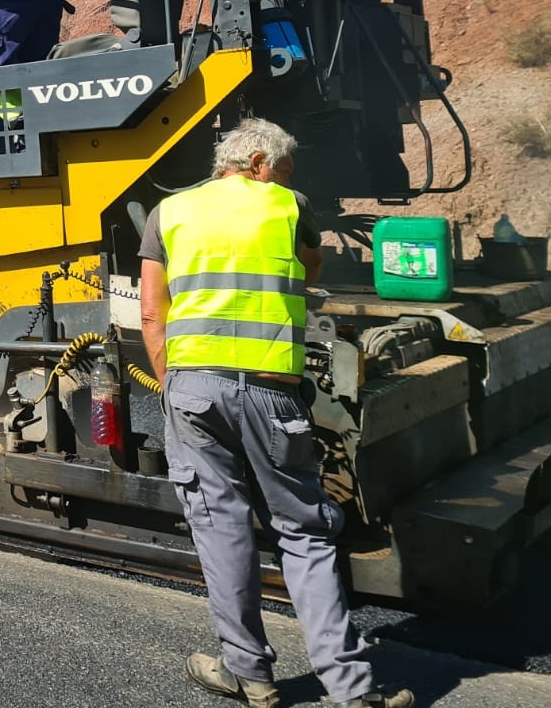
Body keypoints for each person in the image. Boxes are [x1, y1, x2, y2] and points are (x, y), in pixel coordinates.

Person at [139, 119, 411, 708]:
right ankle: (351, 688)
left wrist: (172, 387)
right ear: (259, 161)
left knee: (221, 529)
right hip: (272, 392)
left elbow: (152, 316)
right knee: (306, 533)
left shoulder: (171, 213)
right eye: (284, 169)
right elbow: (311, 269)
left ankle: (249, 674)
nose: (288, 180)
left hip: (193, 389)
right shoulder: (290, 207)